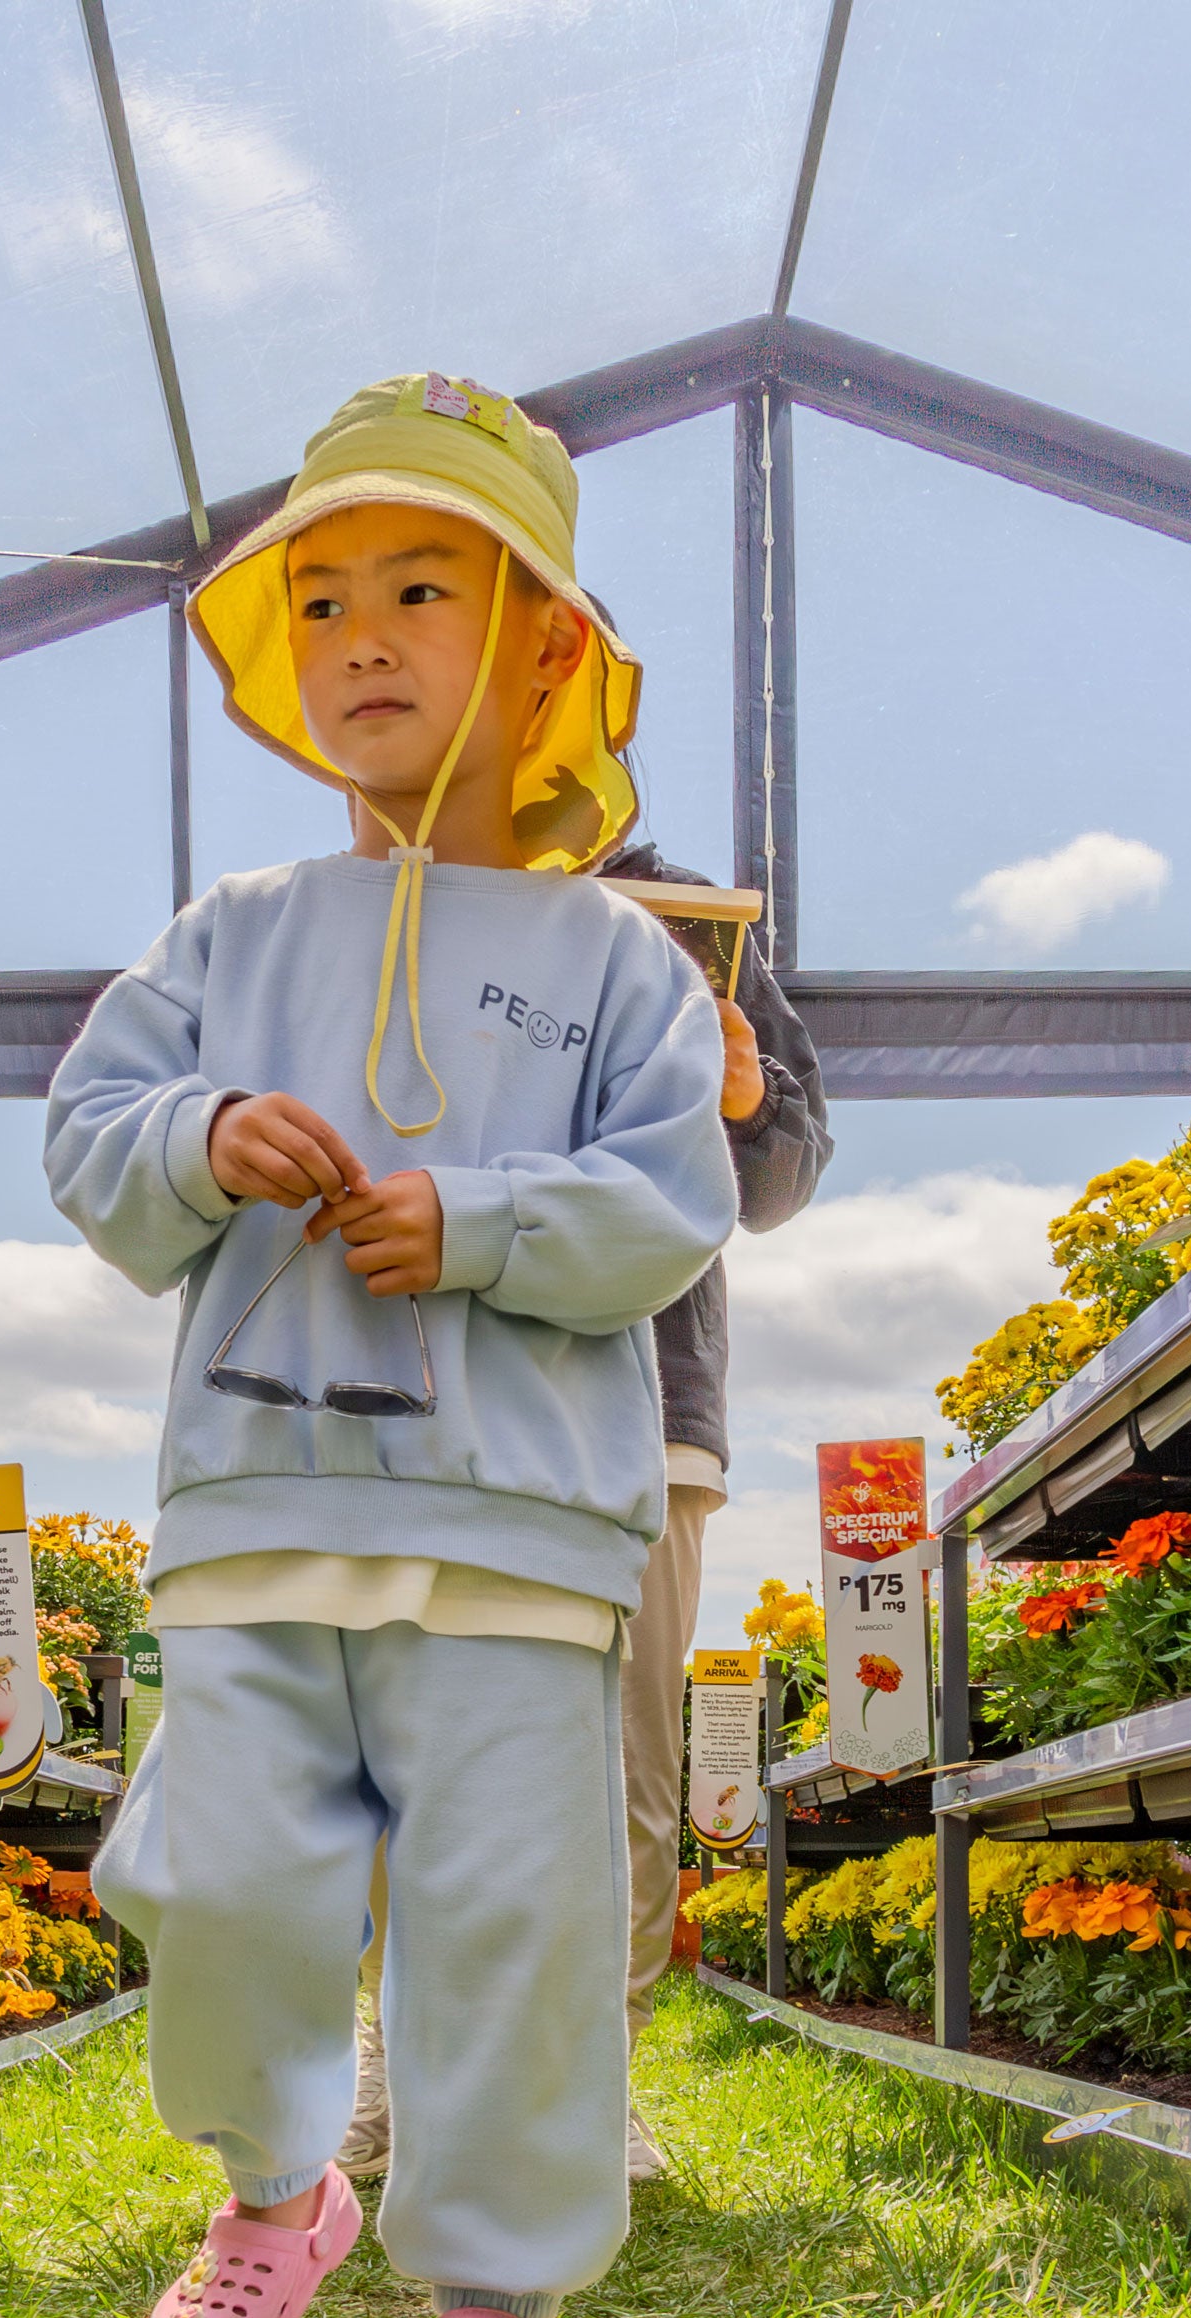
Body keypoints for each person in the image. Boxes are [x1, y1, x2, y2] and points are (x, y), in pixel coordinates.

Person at [47, 372, 735, 2318]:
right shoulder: (225, 933)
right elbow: (90, 1137)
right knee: (228, 1880)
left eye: (418, 588)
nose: (360, 634)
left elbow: (672, 1202)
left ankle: (496, 2284)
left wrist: (488, 1218)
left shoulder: (621, 957)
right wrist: (196, 1133)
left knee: (510, 1916)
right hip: (257, 1509)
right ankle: (277, 2191)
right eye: (322, 595)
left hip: (520, 1542)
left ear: (541, 641)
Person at [332, 848, 829, 2187]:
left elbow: (783, 1178)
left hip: (640, 1404)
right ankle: (397, 2057)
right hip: (422, 1386)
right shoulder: (378, 905)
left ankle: (583, 2080)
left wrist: (740, 1096)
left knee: (618, 1765)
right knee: (409, 1751)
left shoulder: (689, 926)